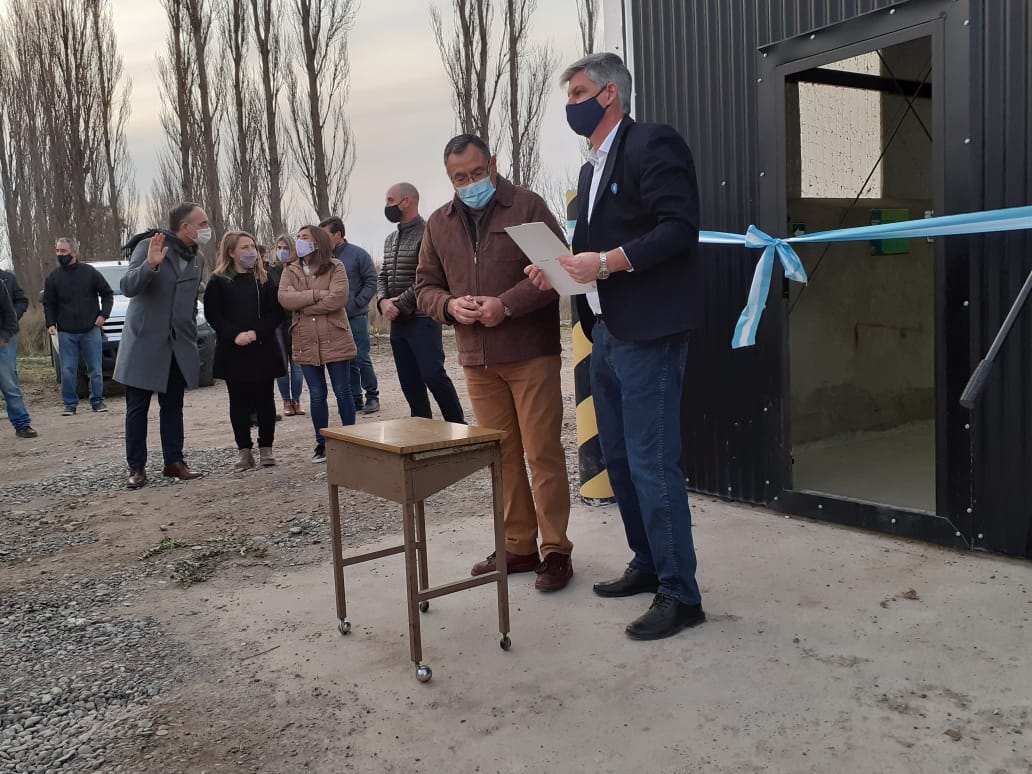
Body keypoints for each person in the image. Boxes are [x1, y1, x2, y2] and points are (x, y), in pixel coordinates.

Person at [528, 52, 705, 640]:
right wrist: (554, 270)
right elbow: (588, 252)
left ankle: (681, 594)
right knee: (622, 459)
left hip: (649, 330)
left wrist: (604, 262)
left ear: (610, 94)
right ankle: (648, 562)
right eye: (568, 96)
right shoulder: (589, 171)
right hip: (604, 329)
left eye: (578, 93)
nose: (570, 105)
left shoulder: (652, 143)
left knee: (653, 463)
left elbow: (678, 228)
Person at [415, 133, 574, 592]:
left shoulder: (527, 206)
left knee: (542, 453)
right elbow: (424, 287)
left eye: (477, 173)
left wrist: (505, 305)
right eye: (459, 178)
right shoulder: (438, 224)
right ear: (449, 177)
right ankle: (518, 546)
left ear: (494, 164)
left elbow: (559, 269)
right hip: (477, 360)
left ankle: (556, 551)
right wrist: (449, 306)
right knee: (500, 455)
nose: (470, 183)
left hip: (530, 353)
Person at [115, 203, 211, 489]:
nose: (207, 228)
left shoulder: (197, 258)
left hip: (177, 345)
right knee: (138, 408)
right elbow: (128, 286)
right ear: (185, 227)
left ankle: (174, 462)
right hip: (144, 343)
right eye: (202, 223)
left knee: (173, 406)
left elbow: (191, 302)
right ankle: (136, 467)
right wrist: (150, 265)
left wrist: (191, 338)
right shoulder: (149, 246)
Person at [378, 182, 464, 424]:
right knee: (409, 381)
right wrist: (383, 302)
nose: (387, 206)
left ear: (406, 201)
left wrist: (400, 304)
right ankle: (422, 429)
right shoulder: (391, 239)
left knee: (434, 376)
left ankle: (459, 427)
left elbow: (429, 278)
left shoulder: (428, 233)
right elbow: (383, 274)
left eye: (390, 200)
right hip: (398, 323)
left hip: (423, 319)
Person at [204, 231, 286, 471]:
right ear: (231, 252)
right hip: (234, 351)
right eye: (244, 248)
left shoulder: (265, 278)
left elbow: (276, 313)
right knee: (238, 402)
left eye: (252, 246)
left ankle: (266, 448)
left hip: (262, 348)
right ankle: (244, 451)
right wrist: (234, 335)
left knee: (265, 400)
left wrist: (256, 333)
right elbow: (213, 315)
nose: (251, 251)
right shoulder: (218, 281)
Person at [278, 225, 356, 463]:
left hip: (336, 337)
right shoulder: (290, 269)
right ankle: (321, 444)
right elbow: (284, 299)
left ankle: (352, 440)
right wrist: (316, 294)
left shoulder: (335, 266)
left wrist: (302, 304)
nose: (299, 241)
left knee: (342, 390)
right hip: (305, 339)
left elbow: (338, 299)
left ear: (317, 242)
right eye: (298, 237)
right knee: (317, 393)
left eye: (305, 237)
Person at [42, 237, 114, 415]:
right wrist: (50, 323)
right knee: (68, 370)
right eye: (58, 251)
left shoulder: (89, 273)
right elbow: (49, 303)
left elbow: (107, 294)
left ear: (74, 253)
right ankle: (70, 404)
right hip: (66, 331)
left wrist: (103, 315)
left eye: (63, 251)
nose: (60, 254)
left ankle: (97, 401)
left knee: (95, 369)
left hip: (90, 329)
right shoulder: (53, 277)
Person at [318, 217, 379, 414]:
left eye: (325, 235)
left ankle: (372, 396)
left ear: (338, 234)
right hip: (334, 317)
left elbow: (372, 280)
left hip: (356, 316)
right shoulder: (323, 258)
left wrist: (358, 302)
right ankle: (355, 399)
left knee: (361, 357)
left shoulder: (358, 255)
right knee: (346, 359)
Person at [268, 234, 306, 417]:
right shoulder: (269, 270)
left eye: (286, 248)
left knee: (297, 363)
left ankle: (296, 399)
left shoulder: (298, 269)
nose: (282, 251)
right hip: (277, 323)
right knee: (281, 363)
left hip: (296, 320)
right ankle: (286, 401)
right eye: (279, 248)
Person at [0, 267, 36, 438]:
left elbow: (10, 316)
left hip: (2, 342)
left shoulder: (4, 282)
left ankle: (22, 424)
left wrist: (4, 336)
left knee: (9, 384)